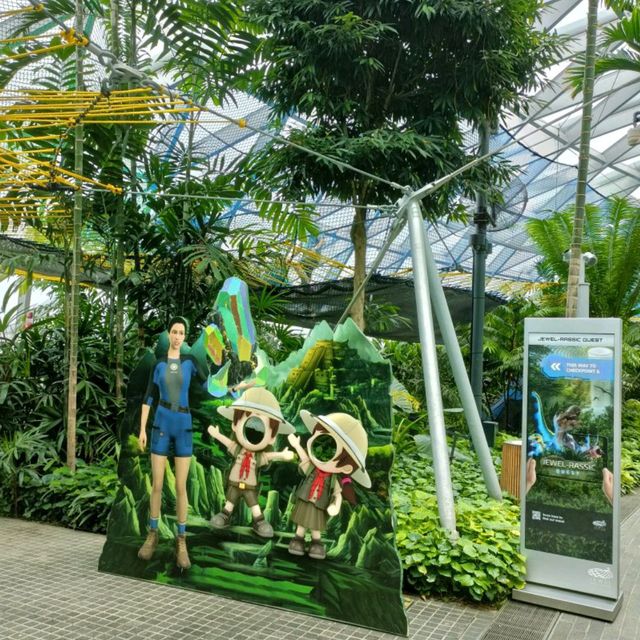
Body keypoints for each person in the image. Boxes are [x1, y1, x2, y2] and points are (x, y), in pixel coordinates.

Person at [137, 316, 207, 569]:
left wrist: (232, 382)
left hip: (183, 425)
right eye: (174, 332)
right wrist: (142, 429)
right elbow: (148, 397)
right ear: (168, 335)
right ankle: (152, 534)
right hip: (161, 425)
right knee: (157, 484)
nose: (177, 336)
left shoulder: (191, 361)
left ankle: (181, 540)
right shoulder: (158, 364)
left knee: (180, 486)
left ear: (185, 337)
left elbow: (209, 384)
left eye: (181, 332)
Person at [208, 387, 295, 537]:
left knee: (254, 504)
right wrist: (216, 435)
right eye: (250, 425)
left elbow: (268, 456)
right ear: (235, 425)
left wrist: (282, 455)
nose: (254, 432)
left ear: (272, 437)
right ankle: (225, 515)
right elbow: (229, 443)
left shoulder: (257, 457)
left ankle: (259, 521)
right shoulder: (238, 450)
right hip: (234, 483)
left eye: (260, 428)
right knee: (230, 501)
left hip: (249, 487)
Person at [286, 411, 371, 560]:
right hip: (305, 500)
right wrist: (296, 446)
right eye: (318, 439)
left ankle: (316, 543)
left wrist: (335, 505)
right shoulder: (311, 469)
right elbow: (305, 459)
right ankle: (298, 539)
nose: (320, 450)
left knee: (315, 525)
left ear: (346, 467)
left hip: (320, 504)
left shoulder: (333, 480)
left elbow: (337, 494)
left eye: (331, 448)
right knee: (301, 522)